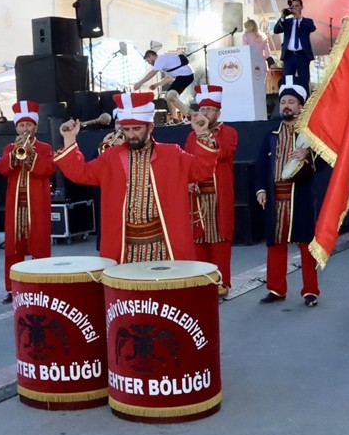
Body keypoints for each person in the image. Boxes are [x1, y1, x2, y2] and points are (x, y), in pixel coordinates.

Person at [55, 92, 217, 264]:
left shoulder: (172, 154)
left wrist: (203, 134)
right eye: (126, 129)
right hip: (124, 247)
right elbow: (81, 173)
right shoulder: (111, 157)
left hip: (164, 245)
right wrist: (69, 139)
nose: (131, 135)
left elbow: (202, 170)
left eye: (136, 129)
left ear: (150, 127)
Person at [255, 78, 320, 306]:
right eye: (283, 102)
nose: (286, 106)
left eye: (291, 102)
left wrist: (308, 156)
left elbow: (324, 163)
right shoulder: (271, 134)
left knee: (305, 245)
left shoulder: (310, 135)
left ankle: (310, 290)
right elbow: (261, 165)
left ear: (301, 107)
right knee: (275, 245)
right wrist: (261, 189)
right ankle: (276, 289)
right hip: (275, 199)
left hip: (299, 197)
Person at [0, 101, 55, 303]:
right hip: (15, 205)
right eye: (22, 125)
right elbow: (3, 170)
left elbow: (48, 170)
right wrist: (14, 155)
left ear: (36, 127)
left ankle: (41, 285)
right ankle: (12, 289)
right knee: (13, 247)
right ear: (16, 128)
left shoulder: (45, 148)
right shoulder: (9, 147)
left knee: (40, 244)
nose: (25, 129)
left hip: (37, 203)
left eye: (29, 125)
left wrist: (31, 155)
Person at [184, 85, 237, 296]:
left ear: (218, 113)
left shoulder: (229, 133)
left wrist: (204, 132)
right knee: (199, 240)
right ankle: (202, 284)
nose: (205, 113)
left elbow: (221, 153)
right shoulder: (190, 137)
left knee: (219, 240)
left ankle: (222, 283)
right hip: (197, 196)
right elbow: (187, 162)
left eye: (210, 110)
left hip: (218, 196)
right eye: (202, 109)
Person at [133, 49, 195, 123]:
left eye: (148, 61)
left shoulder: (160, 59)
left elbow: (152, 73)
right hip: (184, 76)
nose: (149, 63)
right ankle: (175, 120)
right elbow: (169, 78)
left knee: (171, 95)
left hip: (185, 75)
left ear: (150, 56)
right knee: (168, 96)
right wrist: (156, 85)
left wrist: (140, 83)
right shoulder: (164, 62)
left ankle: (190, 115)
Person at [271, 0, 317, 92]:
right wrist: (282, 17)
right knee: (288, 81)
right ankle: (290, 101)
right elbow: (276, 30)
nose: (294, 8)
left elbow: (312, 28)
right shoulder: (287, 22)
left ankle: (305, 104)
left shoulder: (307, 21)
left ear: (301, 7)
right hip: (289, 56)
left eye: (297, 6)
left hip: (302, 56)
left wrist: (299, 17)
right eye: (293, 6)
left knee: (304, 81)